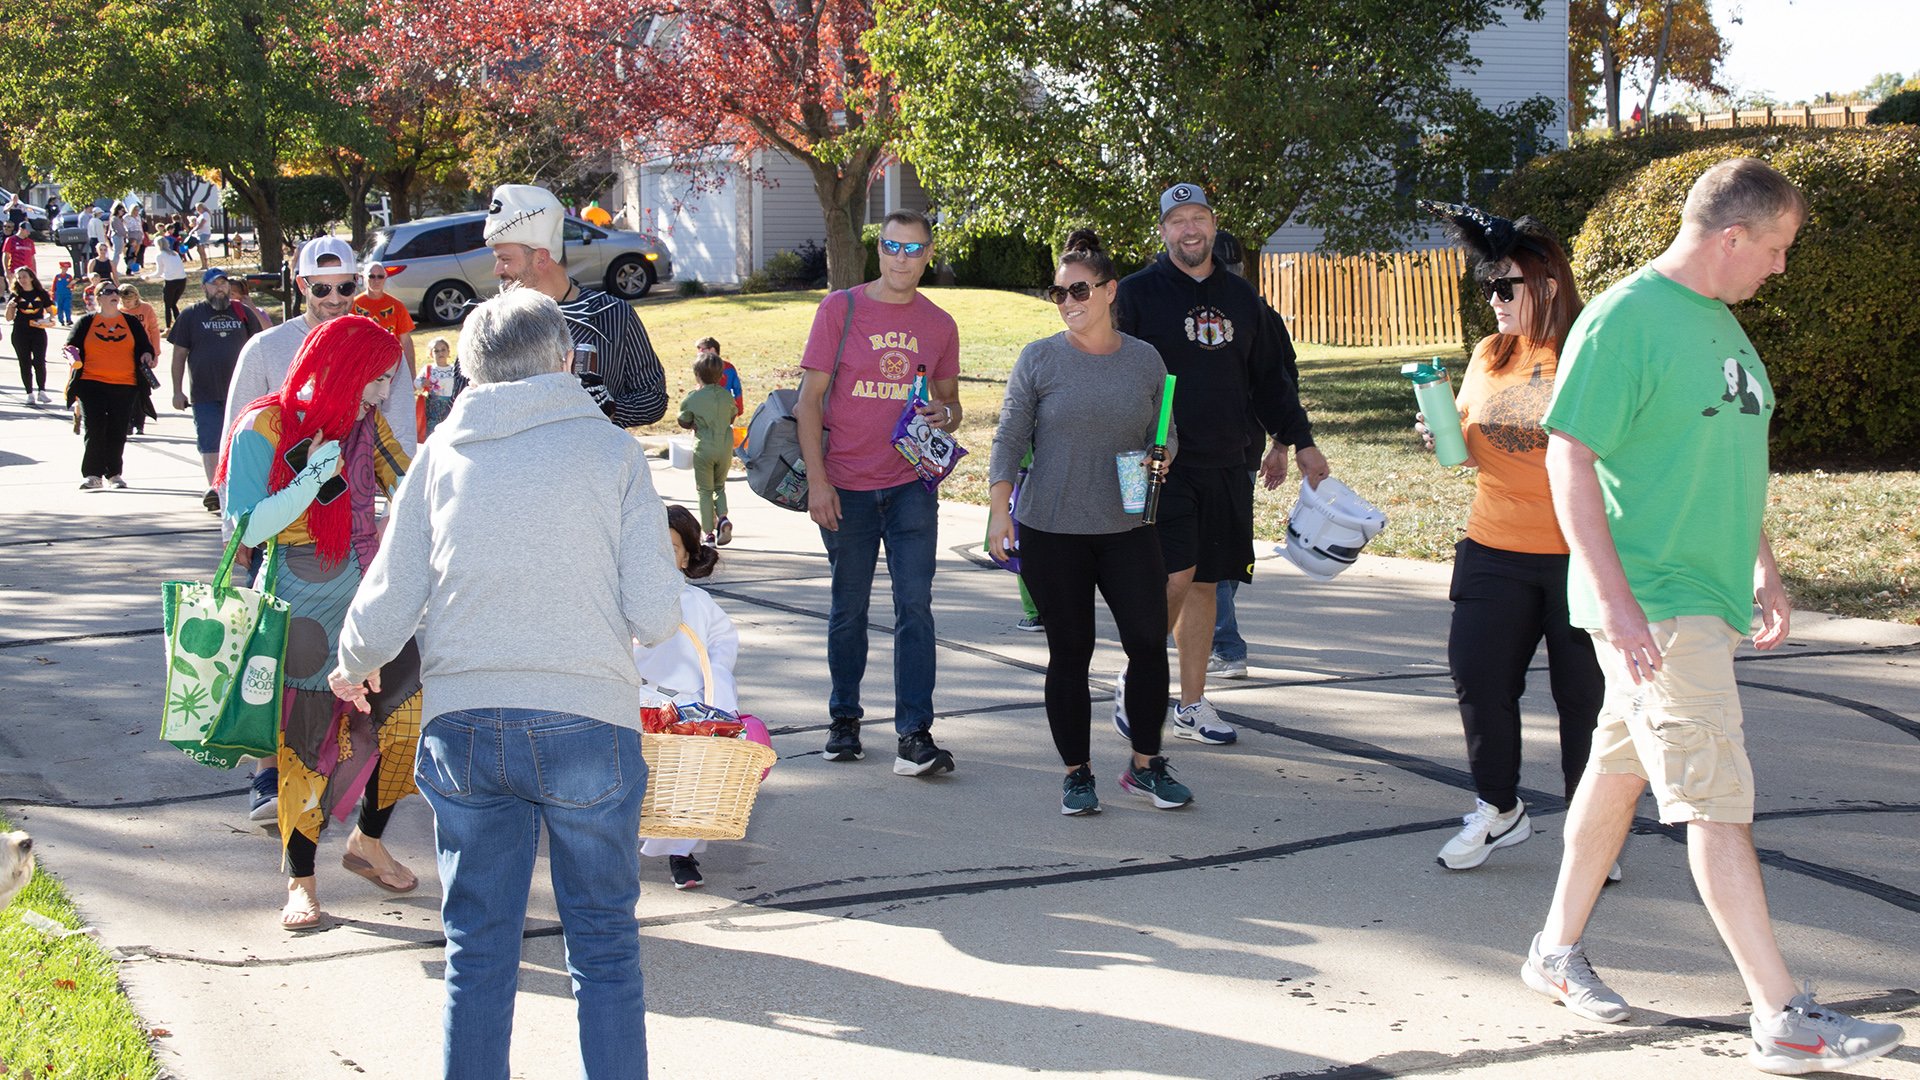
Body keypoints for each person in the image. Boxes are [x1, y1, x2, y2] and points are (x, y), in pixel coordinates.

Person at [1524, 158, 1905, 1074]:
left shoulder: (1719, 321)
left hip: (1704, 596)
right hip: (1658, 607)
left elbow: (1725, 458)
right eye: (1776, 248)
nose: (1781, 266)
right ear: (1732, 236)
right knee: (1715, 801)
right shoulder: (1625, 318)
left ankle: (1554, 951)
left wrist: (1762, 566)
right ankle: (1782, 1014)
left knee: (1617, 776)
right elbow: (1569, 458)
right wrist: (1618, 603)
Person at [328, 288, 680, 1079]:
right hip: (588, 722)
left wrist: (352, 663)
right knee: (604, 949)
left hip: (466, 727)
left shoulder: (440, 456)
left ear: (471, 371)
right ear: (564, 359)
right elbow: (658, 615)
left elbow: (389, 596)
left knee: (478, 950)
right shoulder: (612, 454)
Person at [1411, 201, 1606, 873]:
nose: (1492, 299)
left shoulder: (1589, 355)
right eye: (1488, 286)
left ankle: (1593, 832)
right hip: (1494, 546)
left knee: (1583, 702)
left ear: (1547, 286)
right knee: (1478, 678)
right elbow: (1470, 447)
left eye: (1505, 287)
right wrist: (1440, 431)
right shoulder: (1488, 356)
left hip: (1580, 555)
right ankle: (1499, 808)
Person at [218, 315, 421, 931]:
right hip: (298, 599)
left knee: (407, 721)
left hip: (369, 599)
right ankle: (300, 883)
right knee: (305, 747)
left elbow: (413, 485)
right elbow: (247, 526)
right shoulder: (263, 424)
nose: (383, 393)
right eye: (376, 379)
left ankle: (367, 840)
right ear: (342, 371)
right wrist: (310, 477)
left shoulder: (367, 424)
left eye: (388, 381)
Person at [988, 229, 1192, 815]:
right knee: (1070, 652)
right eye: (1059, 293)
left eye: (1079, 290)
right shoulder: (1040, 358)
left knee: (1148, 644)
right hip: (1052, 528)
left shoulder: (1145, 359)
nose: (1068, 301)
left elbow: (1165, 432)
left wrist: (1161, 457)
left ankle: (1146, 766)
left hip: (1128, 527)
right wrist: (1000, 509)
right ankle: (1077, 774)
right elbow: (1010, 437)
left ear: (1109, 291)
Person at [1113, 183, 1323, 746]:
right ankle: (1138, 678)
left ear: (1212, 225)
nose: (1190, 229)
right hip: (1162, 463)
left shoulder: (1243, 298)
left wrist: (1298, 441)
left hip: (1229, 461)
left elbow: (1272, 379)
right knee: (1173, 576)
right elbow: (1112, 371)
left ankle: (1191, 704)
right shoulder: (1135, 294)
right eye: (1178, 220)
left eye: (1199, 218)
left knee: (1206, 582)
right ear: (1163, 230)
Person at [794, 208, 962, 775]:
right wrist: (818, 483)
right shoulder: (839, 309)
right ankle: (844, 720)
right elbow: (808, 403)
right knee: (850, 608)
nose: (901, 258)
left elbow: (951, 404)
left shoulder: (939, 324)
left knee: (915, 606)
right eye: (892, 246)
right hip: (847, 487)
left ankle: (915, 734)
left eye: (913, 249)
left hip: (911, 486)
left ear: (928, 255)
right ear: (879, 249)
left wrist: (945, 414)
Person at [484, 184, 667, 427]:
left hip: (595, 452)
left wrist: (609, 409)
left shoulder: (613, 315)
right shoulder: (489, 324)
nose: (497, 270)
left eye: (505, 259)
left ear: (541, 258)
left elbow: (653, 399)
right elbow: (461, 406)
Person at [635, 504, 734, 889]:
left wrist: (717, 684)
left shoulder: (698, 604)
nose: (662, 553)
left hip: (687, 706)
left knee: (684, 783)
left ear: (687, 557)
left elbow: (722, 643)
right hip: (638, 699)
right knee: (637, 780)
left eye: (673, 547)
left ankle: (681, 853)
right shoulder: (631, 600)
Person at [169, 268, 265, 511]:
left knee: (245, 441)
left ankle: (243, 488)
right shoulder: (191, 315)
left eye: (223, 283)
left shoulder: (242, 312)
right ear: (204, 288)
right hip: (205, 393)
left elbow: (261, 345)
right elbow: (179, 355)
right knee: (210, 441)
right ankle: (216, 489)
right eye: (214, 284)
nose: (219, 288)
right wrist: (177, 391)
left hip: (244, 391)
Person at [63, 282, 155, 489]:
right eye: (108, 292)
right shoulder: (87, 321)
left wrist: (147, 355)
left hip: (125, 384)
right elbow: (70, 345)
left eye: (116, 291)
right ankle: (92, 475)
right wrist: (71, 355)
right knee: (94, 429)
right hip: (91, 384)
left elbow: (145, 346)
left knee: (118, 430)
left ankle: (114, 475)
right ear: (98, 297)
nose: (115, 294)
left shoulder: (130, 322)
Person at [678, 351, 736, 545]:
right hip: (724, 446)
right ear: (720, 375)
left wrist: (694, 422)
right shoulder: (727, 396)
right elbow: (732, 416)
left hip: (704, 447)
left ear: (697, 375)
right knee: (719, 486)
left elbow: (684, 420)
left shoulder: (693, 398)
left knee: (704, 490)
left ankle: (708, 532)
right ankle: (723, 517)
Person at [351, 261, 417, 380]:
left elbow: (406, 341)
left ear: (385, 278)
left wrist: (412, 373)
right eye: (372, 276)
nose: (376, 280)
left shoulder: (396, 306)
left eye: (380, 276)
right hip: (361, 368)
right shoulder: (353, 305)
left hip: (390, 367)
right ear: (364, 277)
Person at [10, 268, 52, 404]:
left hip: (38, 332)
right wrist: (10, 307)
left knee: (40, 362)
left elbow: (50, 311)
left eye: (24, 277)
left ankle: (42, 391)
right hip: (20, 333)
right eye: (19, 278)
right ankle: (29, 393)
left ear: (31, 278)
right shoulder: (16, 295)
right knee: (25, 363)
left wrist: (48, 319)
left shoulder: (41, 294)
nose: (22, 280)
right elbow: (9, 318)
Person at [414, 337, 457, 439]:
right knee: (433, 432)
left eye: (443, 350)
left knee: (450, 430)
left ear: (448, 352)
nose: (440, 353)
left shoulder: (454, 369)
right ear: (431, 354)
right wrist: (422, 383)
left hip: (450, 406)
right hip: (433, 407)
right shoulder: (429, 369)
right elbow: (416, 383)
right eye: (436, 351)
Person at [695, 335, 744, 418]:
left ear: (712, 350)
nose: (699, 352)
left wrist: (739, 407)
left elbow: (737, 388)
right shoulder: (729, 367)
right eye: (698, 349)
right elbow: (737, 389)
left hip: (710, 408)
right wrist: (739, 408)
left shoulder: (727, 368)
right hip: (723, 408)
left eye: (702, 349)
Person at [155, 228, 189, 327]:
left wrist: (147, 277)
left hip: (171, 282)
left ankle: (168, 327)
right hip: (182, 280)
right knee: (173, 304)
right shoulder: (175, 253)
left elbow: (158, 272)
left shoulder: (160, 255)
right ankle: (180, 325)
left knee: (167, 306)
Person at [124, 205, 146, 274]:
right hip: (132, 233)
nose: (137, 211)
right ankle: (129, 267)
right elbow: (124, 226)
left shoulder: (138, 216)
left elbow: (140, 225)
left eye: (138, 210)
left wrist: (142, 234)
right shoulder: (127, 217)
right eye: (136, 210)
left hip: (139, 232)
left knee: (136, 252)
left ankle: (134, 267)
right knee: (131, 251)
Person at [52, 263, 75, 329]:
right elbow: (53, 286)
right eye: (64, 268)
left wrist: (71, 285)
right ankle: (61, 320)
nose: (65, 270)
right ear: (61, 268)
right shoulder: (57, 277)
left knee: (67, 307)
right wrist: (53, 294)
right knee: (59, 308)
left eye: (66, 268)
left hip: (67, 294)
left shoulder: (69, 276)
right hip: (59, 295)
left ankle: (68, 320)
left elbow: (72, 285)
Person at [191, 203, 213, 270]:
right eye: (196, 209)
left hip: (204, 233)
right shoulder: (201, 215)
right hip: (199, 234)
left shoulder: (205, 214)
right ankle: (203, 264)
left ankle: (205, 265)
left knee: (201, 249)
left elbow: (201, 224)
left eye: (199, 208)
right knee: (199, 250)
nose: (197, 210)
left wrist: (193, 230)